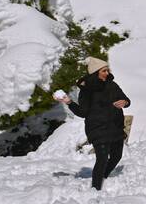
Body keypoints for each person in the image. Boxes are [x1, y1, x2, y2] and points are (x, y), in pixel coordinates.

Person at [55, 57, 130, 191]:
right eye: (104, 71)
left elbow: (126, 99)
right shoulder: (87, 90)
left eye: (107, 70)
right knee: (101, 159)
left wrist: (124, 102)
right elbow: (83, 112)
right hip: (97, 128)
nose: (107, 73)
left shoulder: (112, 85)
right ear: (96, 72)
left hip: (115, 127)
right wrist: (69, 103)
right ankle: (96, 189)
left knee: (116, 156)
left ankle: (104, 177)